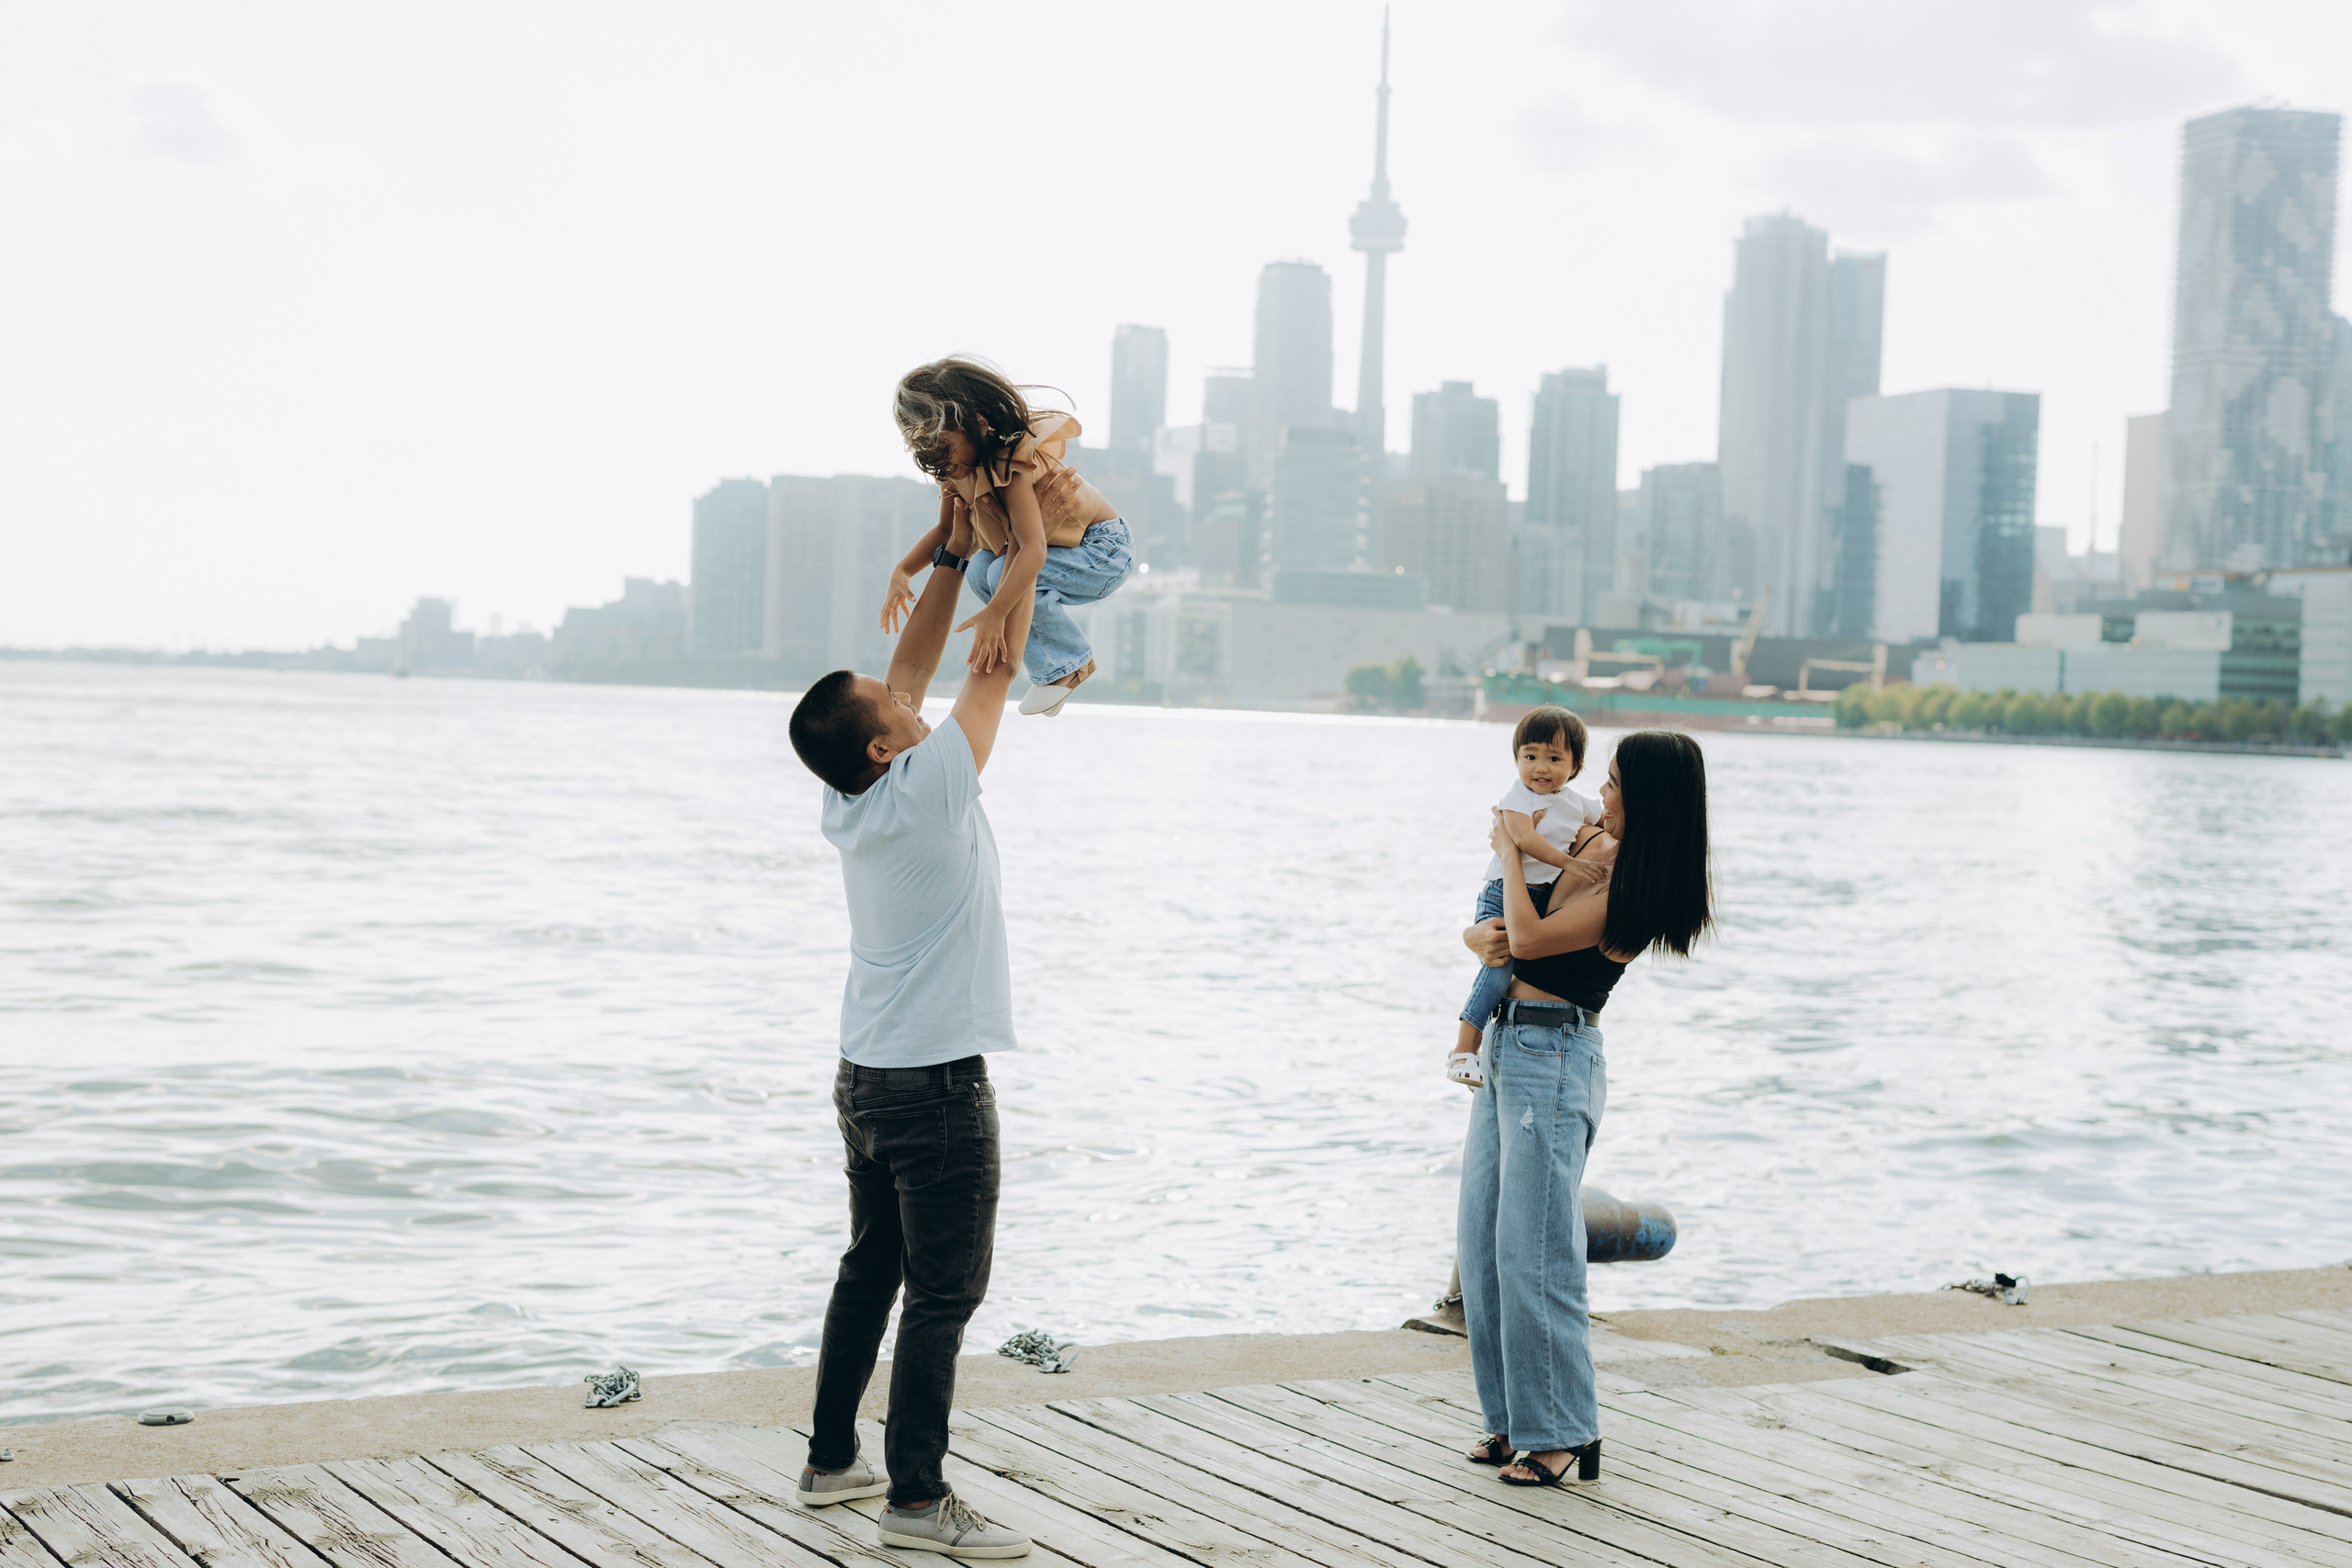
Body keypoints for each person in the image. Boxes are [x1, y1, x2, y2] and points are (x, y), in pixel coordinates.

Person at [785, 497, 1035, 1560]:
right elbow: (991, 663)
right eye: (889, 701)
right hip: (931, 1091)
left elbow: (915, 669)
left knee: (868, 1270)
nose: (902, 691)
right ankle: (918, 1503)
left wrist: (948, 547)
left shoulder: (852, 798)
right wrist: (1011, 533)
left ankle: (832, 1460)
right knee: (940, 1294)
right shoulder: (930, 785)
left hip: (865, 1079)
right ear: (887, 744)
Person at [1453, 729, 1713, 1489]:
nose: (1598, 794)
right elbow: (1502, 929)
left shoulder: (1638, 880)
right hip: (1508, 1047)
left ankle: (1562, 1431)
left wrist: (1510, 846)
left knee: (1538, 1251)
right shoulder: (1594, 846)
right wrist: (1477, 927)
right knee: (1484, 1242)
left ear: (1648, 799)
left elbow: (1528, 939)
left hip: (1556, 1058)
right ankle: (1511, 1419)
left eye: (1612, 785)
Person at [885, 356, 1133, 718]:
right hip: (1060, 551)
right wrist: (904, 571)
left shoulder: (1010, 464)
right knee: (980, 568)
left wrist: (996, 611)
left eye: (941, 447)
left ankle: (1068, 663)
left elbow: (1032, 547)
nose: (937, 462)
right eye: (926, 454)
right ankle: (1056, 665)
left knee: (998, 571)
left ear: (979, 426)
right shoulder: (957, 471)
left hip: (1102, 550)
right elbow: (945, 531)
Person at [1445, 706, 1606, 1089]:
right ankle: (1464, 1048)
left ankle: (1481, 1047)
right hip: (1503, 891)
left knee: (1513, 966)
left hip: (1536, 897)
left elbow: (1605, 820)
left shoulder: (1576, 802)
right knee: (1498, 966)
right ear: (1516, 758)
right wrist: (1570, 863)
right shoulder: (1517, 797)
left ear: (1575, 765)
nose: (1540, 767)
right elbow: (1522, 840)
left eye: (1554, 758)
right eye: (1529, 756)